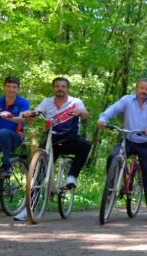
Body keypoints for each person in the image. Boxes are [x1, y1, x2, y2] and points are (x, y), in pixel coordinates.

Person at [15, 77, 92, 221]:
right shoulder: (47, 102)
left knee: (85, 145)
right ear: (53, 89)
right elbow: (34, 115)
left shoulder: (75, 101)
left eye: (63, 86)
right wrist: (28, 114)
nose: (60, 89)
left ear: (67, 89)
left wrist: (79, 112)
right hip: (51, 139)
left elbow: (86, 114)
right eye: (57, 86)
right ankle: (29, 208)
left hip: (71, 139)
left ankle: (71, 176)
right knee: (38, 171)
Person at [97, 78, 147, 220]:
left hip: (145, 142)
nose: (144, 91)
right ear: (135, 89)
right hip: (129, 140)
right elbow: (113, 109)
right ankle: (111, 190)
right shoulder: (127, 100)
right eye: (141, 88)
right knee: (112, 157)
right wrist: (103, 118)